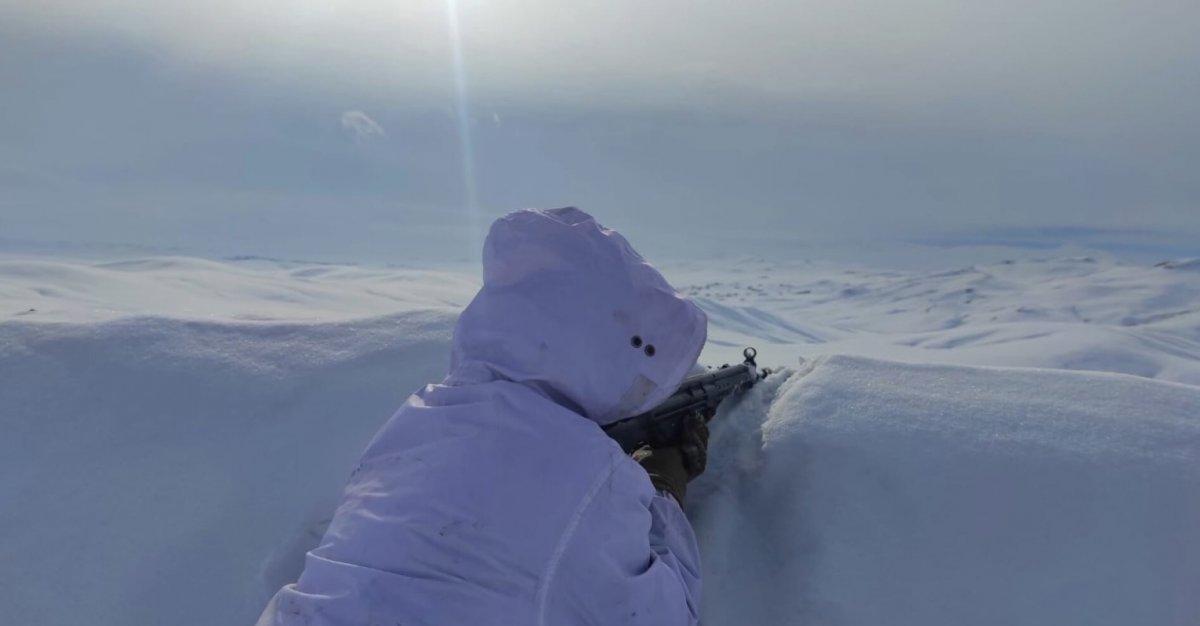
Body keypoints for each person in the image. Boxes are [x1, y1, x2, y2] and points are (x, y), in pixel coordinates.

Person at [257, 207, 710, 625]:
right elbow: (665, 615)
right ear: (610, 354)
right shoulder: (592, 476)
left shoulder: (420, 418)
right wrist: (666, 488)